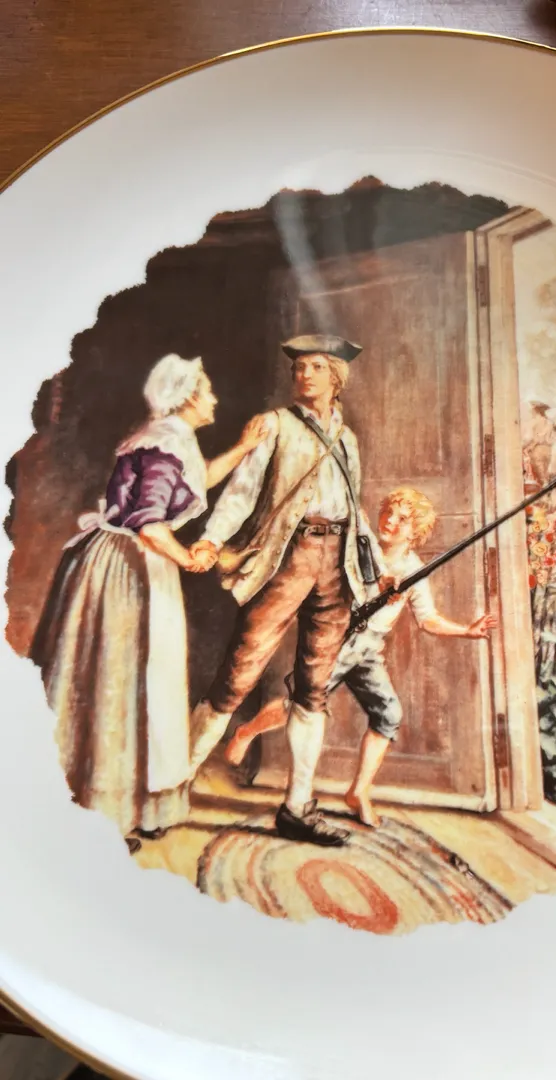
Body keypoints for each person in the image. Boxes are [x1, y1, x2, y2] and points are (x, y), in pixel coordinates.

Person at [30, 354, 269, 852]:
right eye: (208, 391)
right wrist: (188, 558)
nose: (215, 400)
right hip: (126, 570)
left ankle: (138, 805)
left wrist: (244, 448)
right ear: (187, 397)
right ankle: (108, 814)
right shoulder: (163, 442)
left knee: (146, 683)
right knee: (122, 682)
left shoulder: (169, 437)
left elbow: (196, 479)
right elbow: (149, 523)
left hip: (138, 564)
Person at [188, 334, 384, 847]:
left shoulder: (348, 438)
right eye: (298, 367)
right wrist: (212, 539)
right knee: (238, 675)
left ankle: (297, 807)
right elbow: (242, 492)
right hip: (288, 558)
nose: (303, 374)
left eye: (315, 367)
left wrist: (378, 570)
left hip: (337, 566)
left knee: (313, 689)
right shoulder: (275, 424)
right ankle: (170, 786)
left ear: (336, 377)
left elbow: (355, 508)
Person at [223, 487, 498, 827]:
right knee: (299, 703)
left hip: (369, 650)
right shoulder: (358, 546)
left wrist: (466, 631)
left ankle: (358, 791)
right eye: (388, 512)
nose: (390, 521)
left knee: (388, 714)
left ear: (415, 534)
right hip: (337, 640)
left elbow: (427, 620)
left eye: (402, 519)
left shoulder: (414, 569)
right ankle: (247, 732)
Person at [523, 402, 553, 485]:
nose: (529, 411)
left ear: (535, 410)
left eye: (531, 409)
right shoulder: (549, 422)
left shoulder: (533, 422)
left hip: (536, 450)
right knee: (547, 476)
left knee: (541, 479)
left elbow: (529, 438)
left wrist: (522, 447)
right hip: (548, 450)